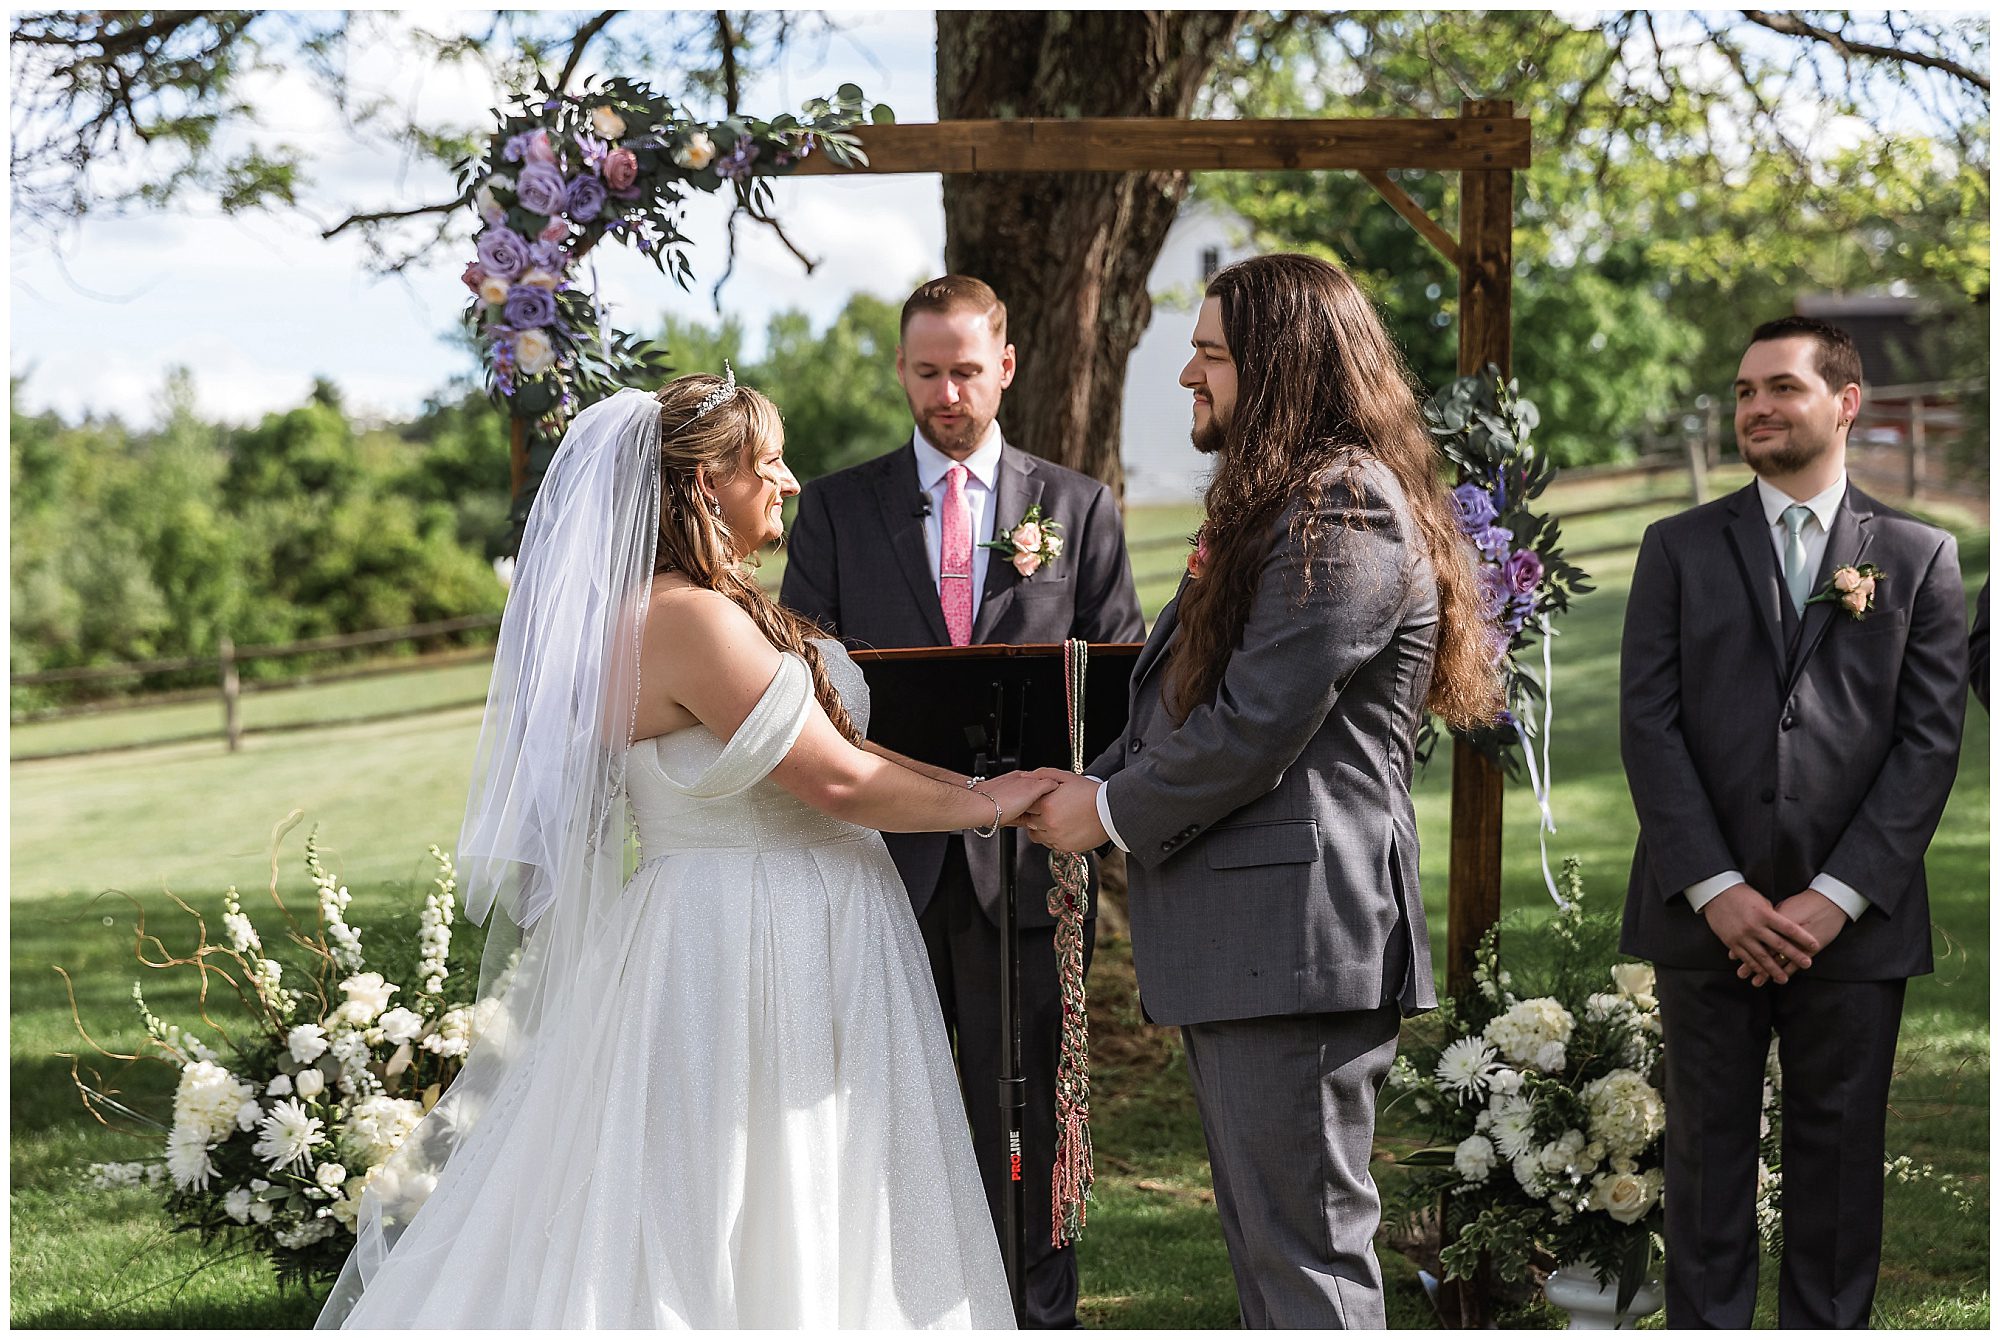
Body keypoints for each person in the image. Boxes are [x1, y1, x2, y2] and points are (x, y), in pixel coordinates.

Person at [319, 377, 1050, 1328]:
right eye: (769, 462)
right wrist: (995, 805)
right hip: (748, 936)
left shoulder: (713, 603)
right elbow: (833, 783)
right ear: (707, 482)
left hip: (803, 913)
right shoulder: (684, 619)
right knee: (732, 1186)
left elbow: (848, 750)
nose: (789, 482)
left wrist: (995, 796)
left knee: (818, 1179)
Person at [1023, 253, 1502, 1328]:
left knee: (1307, 1269)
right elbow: (1180, 710)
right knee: (1270, 1264)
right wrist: (1084, 779)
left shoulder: (1344, 510)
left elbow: (1253, 729)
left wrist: (1100, 815)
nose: (1189, 377)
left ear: (1281, 364)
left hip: (1298, 948)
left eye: (1210, 355)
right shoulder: (1279, 502)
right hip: (1254, 947)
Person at [780, 275, 1143, 1327]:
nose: (946, 392)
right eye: (927, 371)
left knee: (1025, 1098)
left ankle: (1034, 1308)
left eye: (966, 371)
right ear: (900, 369)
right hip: (877, 859)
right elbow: (805, 677)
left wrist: (1074, 799)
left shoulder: (1076, 507)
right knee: (874, 1096)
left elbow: (1117, 683)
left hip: (1030, 868)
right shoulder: (841, 509)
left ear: (1007, 367)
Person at [1617, 316, 1967, 1328]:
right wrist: (1718, 890)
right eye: (1741, 390)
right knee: (1702, 1171)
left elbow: (1924, 745)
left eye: (1779, 386)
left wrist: (1830, 898)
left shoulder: (1917, 555)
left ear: (1843, 402)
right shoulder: (1675, 547)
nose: (1755, 406)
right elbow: (1647, 725)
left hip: (1852, 927)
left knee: (1839, 1170)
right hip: (1702, 920)